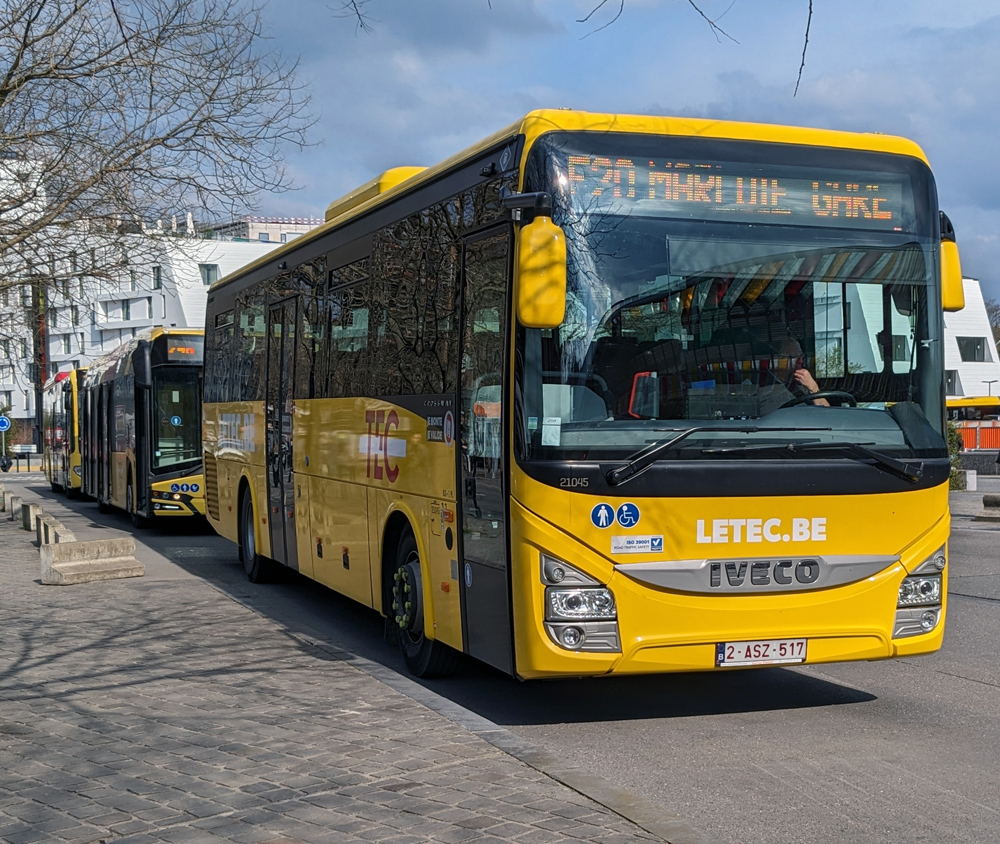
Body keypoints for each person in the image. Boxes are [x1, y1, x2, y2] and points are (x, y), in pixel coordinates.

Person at [758, 336, 830, 414]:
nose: (800, 361)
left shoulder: (802, 383)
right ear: (777, 360)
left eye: (801, 356)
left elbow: (827, 414)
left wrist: (813, 388)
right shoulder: (766, 388)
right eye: (794, 357)